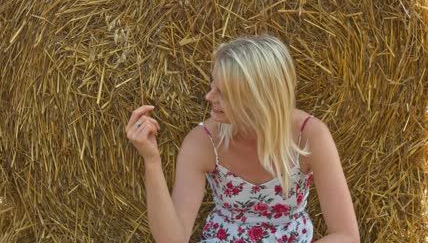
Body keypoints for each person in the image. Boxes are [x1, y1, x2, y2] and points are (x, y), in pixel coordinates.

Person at [125, 36, 359, 242]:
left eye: (223, 93)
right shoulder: (203, 141)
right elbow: (173, 239)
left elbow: (346, 235)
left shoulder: (311, 135)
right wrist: (152, 160)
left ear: (257, 98)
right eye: (212, 84)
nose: (208, 97)